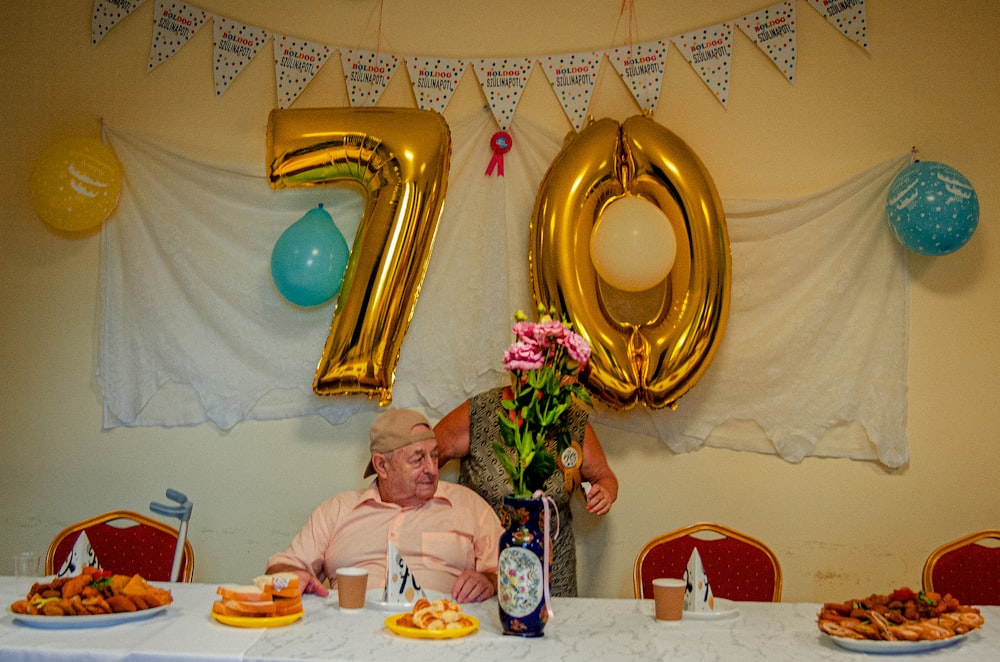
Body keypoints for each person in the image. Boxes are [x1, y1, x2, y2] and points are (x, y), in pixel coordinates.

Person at [265, 408, 501, 603]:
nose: (431, 469)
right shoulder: (337, 510)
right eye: (418, 459)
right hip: (349, 635)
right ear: (382, 466)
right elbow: (282, 568)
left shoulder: (469, 506)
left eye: (435, 456)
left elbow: (513, 573)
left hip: (436, 632)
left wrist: (489, 581)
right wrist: (290, 577)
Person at [434, 386, 618, 597]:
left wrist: (604, 493)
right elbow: (423, 460)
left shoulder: (572, 419)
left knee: (553, 629)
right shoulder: (480, 412)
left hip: (552, 570)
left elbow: (605, 477)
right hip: (485, 572)